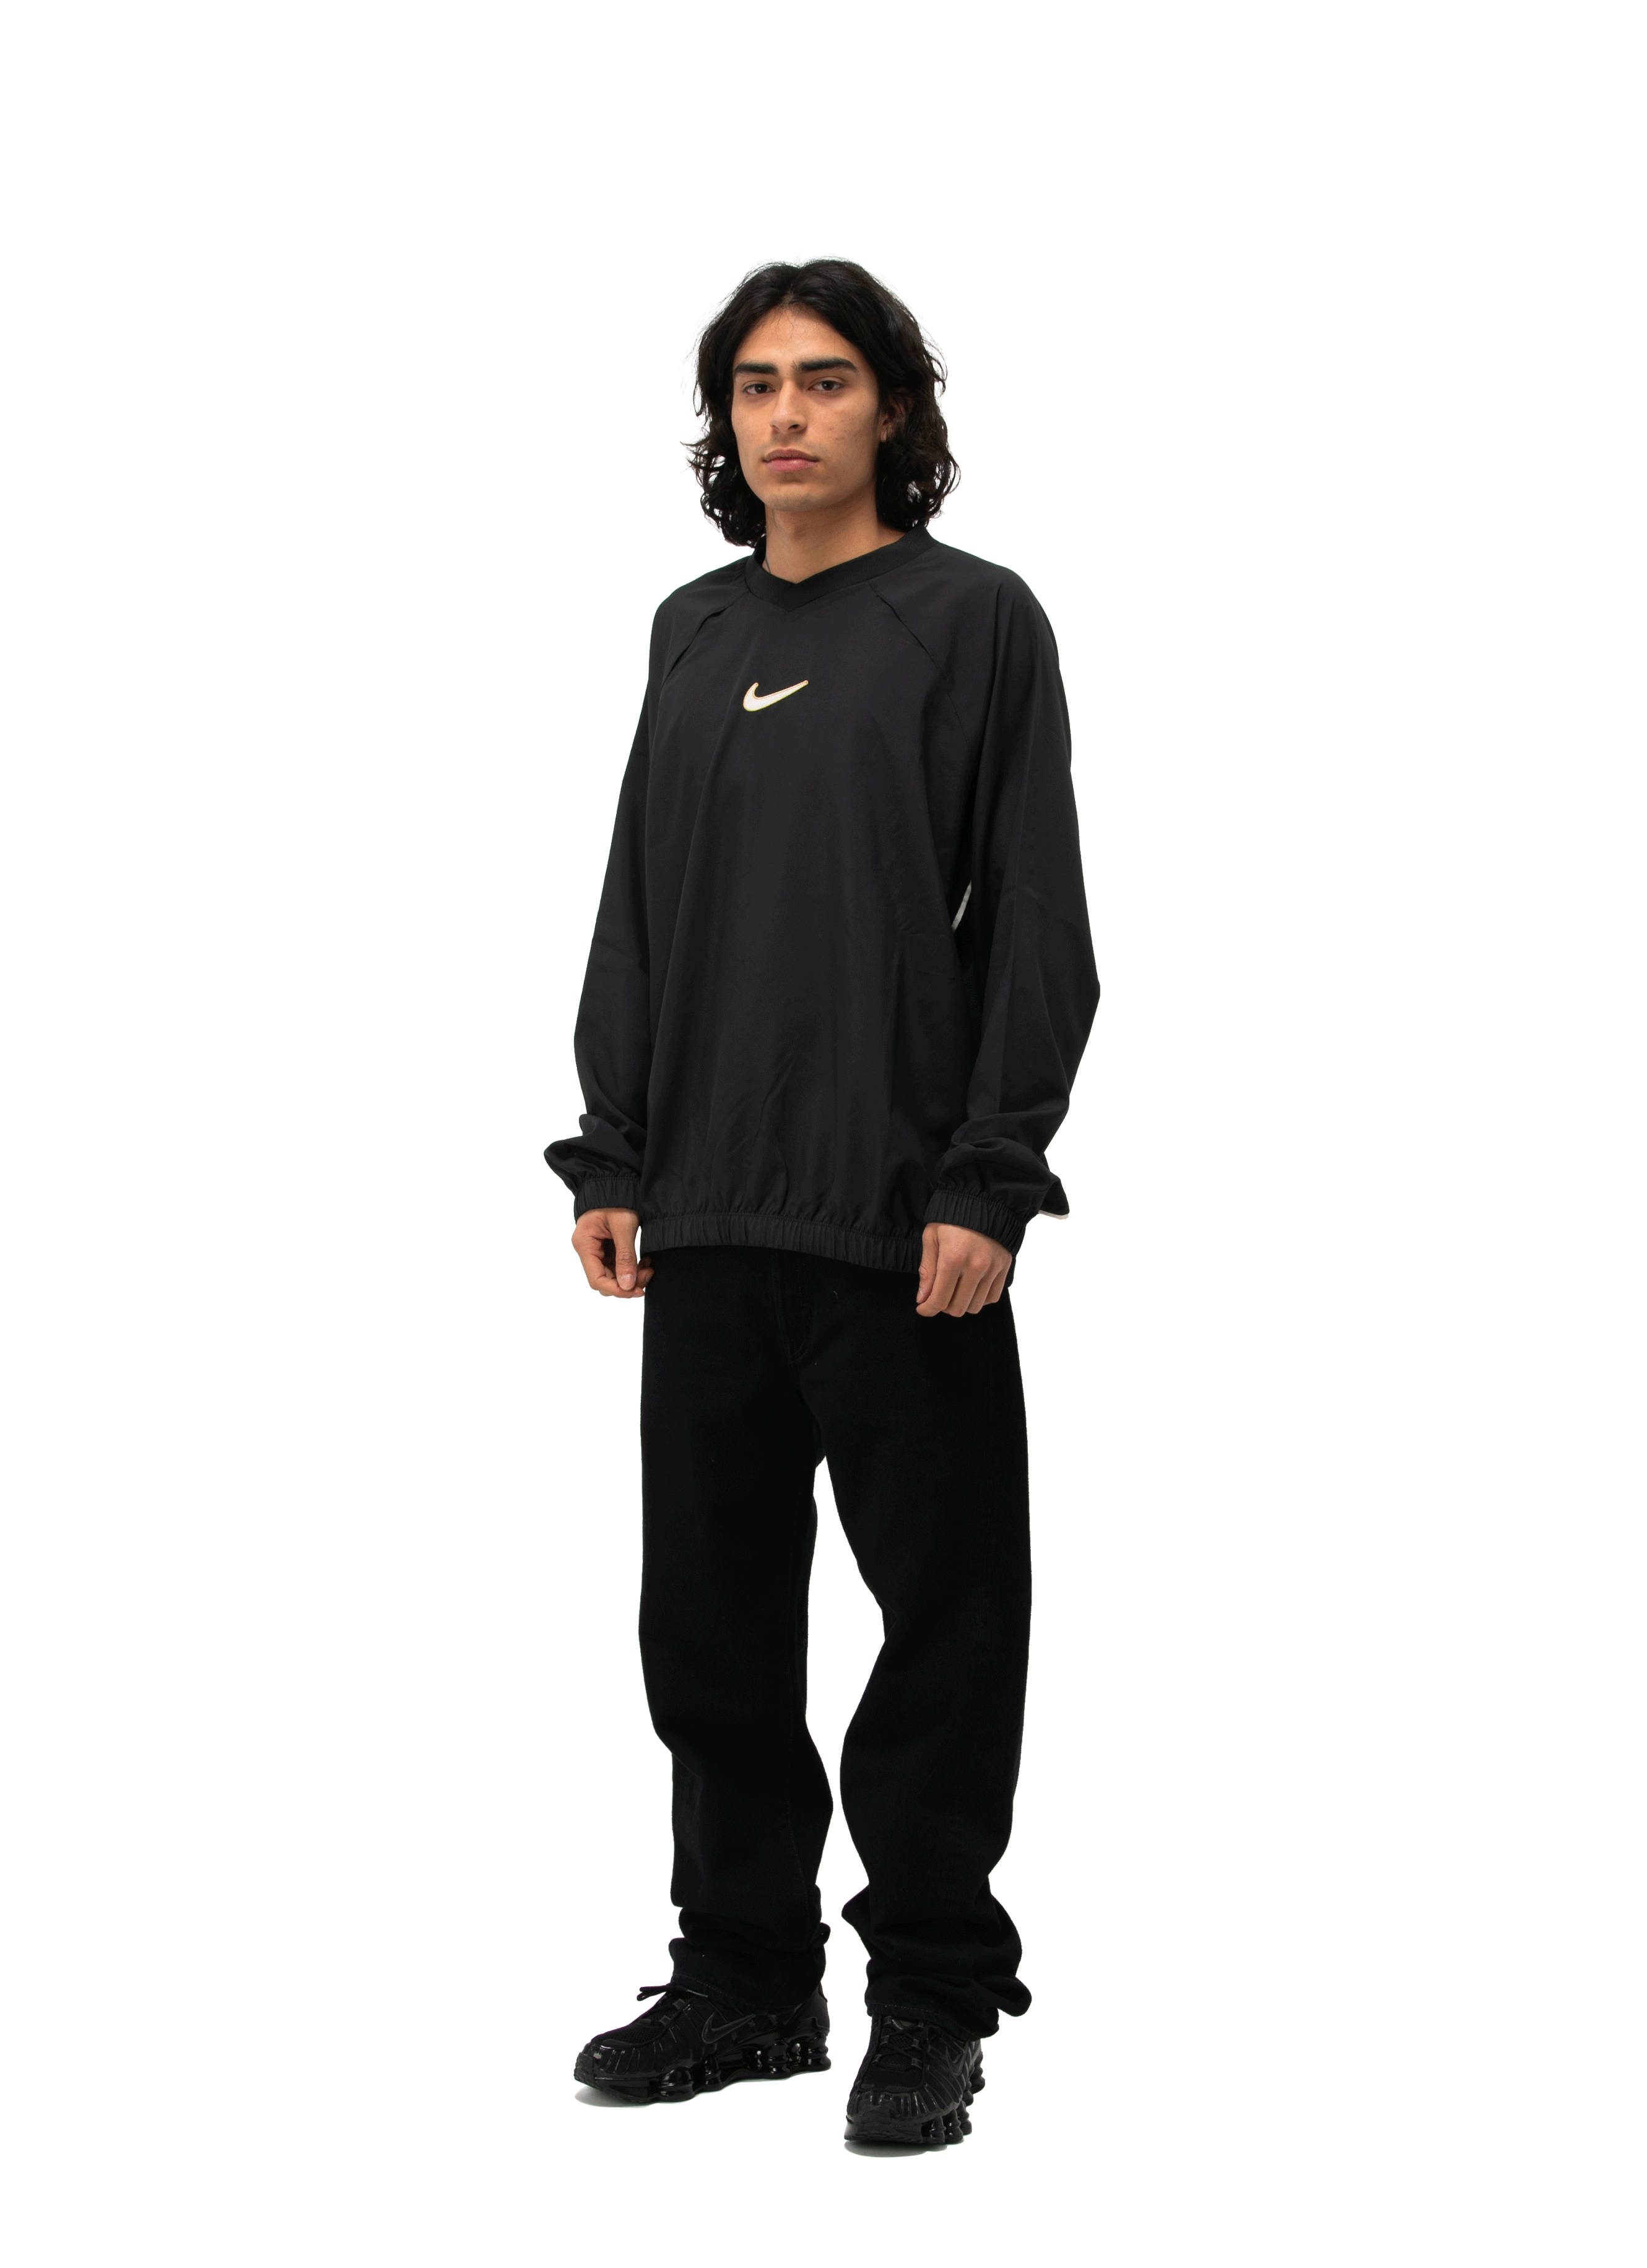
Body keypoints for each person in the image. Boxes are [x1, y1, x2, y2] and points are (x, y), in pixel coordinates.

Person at [547, 259, 1098, 2146]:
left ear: (892, 410)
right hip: (704, 1213)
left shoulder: (974, 620)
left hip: (898, 1217)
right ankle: (746, 1981)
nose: (787, 413)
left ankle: (930, 1998)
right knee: (705, 1629)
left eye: (828, 379)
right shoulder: (692, 629)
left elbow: (1036, 914)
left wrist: (988, 1180)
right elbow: (641, 898)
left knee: (946, 1615)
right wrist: (616, 1148)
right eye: (756, 383)